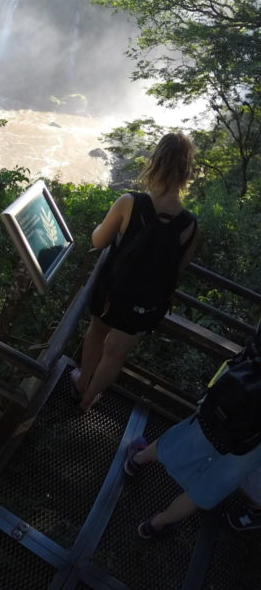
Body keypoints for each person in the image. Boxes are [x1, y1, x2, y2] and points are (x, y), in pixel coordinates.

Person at [72, 132, 199, 413]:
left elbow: (98, 241)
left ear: (155, 162)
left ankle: (81, 381)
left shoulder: (130, 202)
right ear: (185, 171)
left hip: (112, 293)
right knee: (115, 354)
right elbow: (178, 269)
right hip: (145, 304)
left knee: (96, 333)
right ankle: (88, 400)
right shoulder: (190, 225)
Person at [123, 425, 261, 538]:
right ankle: (154, 525)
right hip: (252, 447)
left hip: (229, 412)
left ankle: (136, 460)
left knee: (181, 440)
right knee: (203, 490)